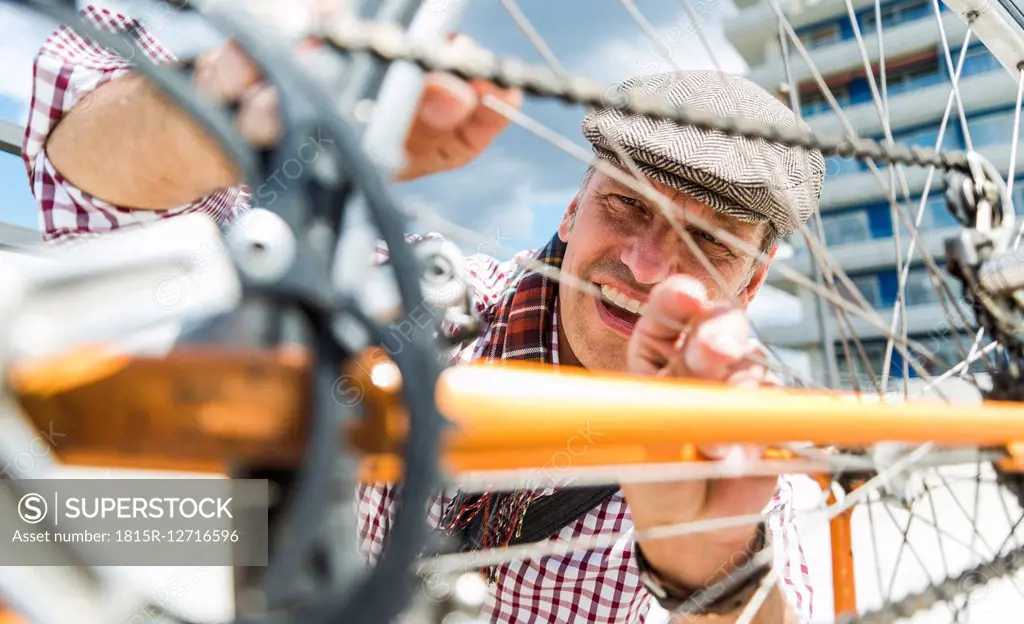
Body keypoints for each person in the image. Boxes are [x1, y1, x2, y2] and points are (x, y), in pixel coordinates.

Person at [22, 5, 824, 623]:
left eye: (707, 245)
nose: (646, 267)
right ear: (575, 206)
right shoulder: (395, 302)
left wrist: (717, 575)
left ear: (750, 288)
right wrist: (240, 113)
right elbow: (95, 184)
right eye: (626, 206)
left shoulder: (744, 482)